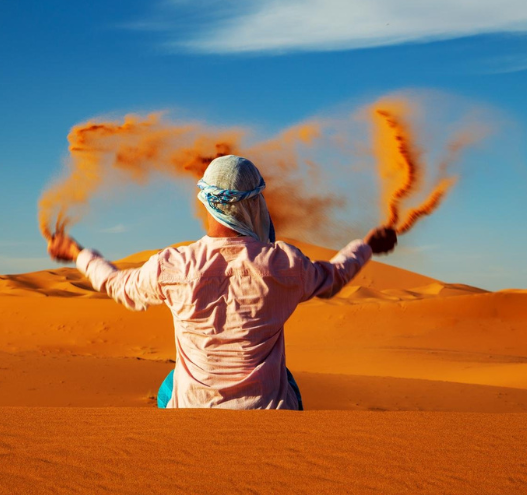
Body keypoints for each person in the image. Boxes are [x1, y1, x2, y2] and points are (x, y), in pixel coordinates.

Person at [47, 155, 397, 409]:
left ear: (207, 204)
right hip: (269, 415)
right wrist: (366, 246)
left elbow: (117, 285)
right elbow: (334, 277)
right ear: (255, 203)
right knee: (287, 381)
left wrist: (77, 252)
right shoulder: (283, 264)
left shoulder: (174, 266)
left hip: (192, 411)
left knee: (170, 385)